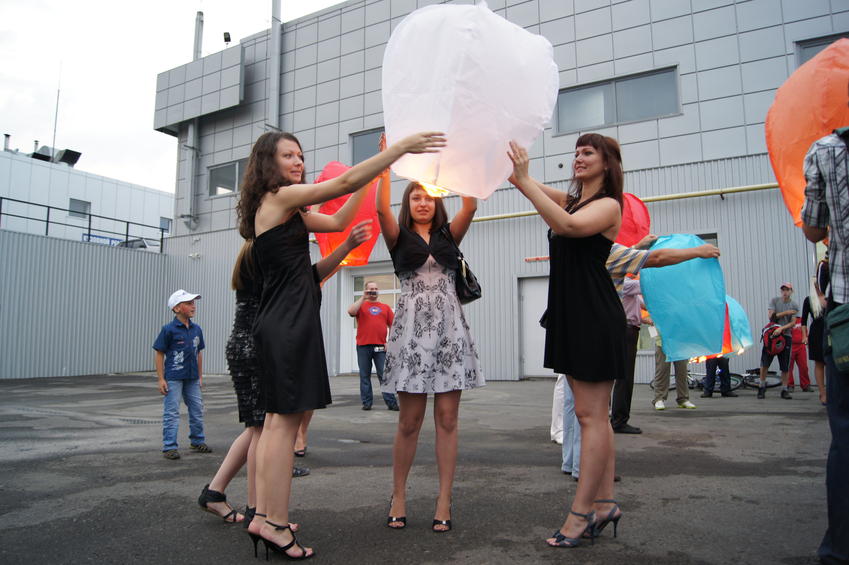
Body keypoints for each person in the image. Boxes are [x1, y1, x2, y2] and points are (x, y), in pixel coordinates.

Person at [239, 129, 445, 559]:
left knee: (277, 425)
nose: (298, 161)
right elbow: (344, 183)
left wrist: (375, 181)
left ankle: (263, 516)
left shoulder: (287, 211)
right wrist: (397, 152)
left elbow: (336, 220)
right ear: (267, 163)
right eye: (287, 155)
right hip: (288, 323)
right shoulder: (280, 198)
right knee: (282, 428)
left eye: (300, 155)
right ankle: (275, 523)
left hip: (283, 320)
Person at [197, 223, 372, 525]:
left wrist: (344, 248)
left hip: (245, 344)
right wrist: (345, 246)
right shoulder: (268, 251)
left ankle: (216, 492)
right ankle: (258, 511)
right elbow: (309, 277)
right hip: (258, 346)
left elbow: (310, 276)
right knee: (262, 430)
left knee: (256, 428)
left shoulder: (255, 249)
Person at [508, 134, 625, 549]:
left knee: (591, 417)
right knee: (593, 416)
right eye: (576, 152)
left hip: (594, 316)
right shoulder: (574, 200)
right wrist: (509, 167)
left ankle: (581, 514)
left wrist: (525, 180)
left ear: (607, 163)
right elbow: (529, 185)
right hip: (574, 316)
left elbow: (567, 226)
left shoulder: (608, 205)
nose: (578, 157)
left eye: (588, 152)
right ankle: (605, 503)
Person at [376, 137, 483, 534]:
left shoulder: (449, 236)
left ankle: (444, 499)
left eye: (428, 196)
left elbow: (470, 205)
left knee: (448, 419)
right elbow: (379, 208)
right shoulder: (397, 236)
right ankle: (398, 496)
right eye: (416, 196)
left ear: (438, 202)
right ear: (408, 204)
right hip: (411, 335)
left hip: (450, 332)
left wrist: (462, 160)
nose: (423, 202)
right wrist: (386, 160)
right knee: (409, 421)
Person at [801, 122, 849, 565]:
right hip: (833, 315)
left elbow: (814, 228)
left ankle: (840, 548)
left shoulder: (828, 150)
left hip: (846, 312)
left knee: (845, 435)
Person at [153, 289, 208, 460]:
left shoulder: (196, 329)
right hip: (174, 377)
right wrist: (161, 379)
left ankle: (197, 440)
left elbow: (198, 353)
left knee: (197, 409)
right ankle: (169, 446)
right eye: (189, 303)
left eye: (194, 303)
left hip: (192, 377)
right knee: (172, 412)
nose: (193, 306)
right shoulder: (168, 330)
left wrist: (200, 376)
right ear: (176, 308)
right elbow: (159, 353)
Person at [348, 281, 398, 411]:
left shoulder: (385, 307)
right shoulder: (361, 306)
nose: (373, 291)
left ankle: (391, 403)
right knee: (365, 376)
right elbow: (351, 311)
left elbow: (393, 326)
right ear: (366, 290)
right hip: (363, 346)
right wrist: (363, 297)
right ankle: (367, 403)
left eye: (375, 289)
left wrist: (389, 342)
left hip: (380, 347)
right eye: (370, 289)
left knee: (384, 375)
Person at [758, 283, 798, 400]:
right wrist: (786, 313)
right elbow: (771, 317)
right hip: (772, 335)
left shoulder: (794, 305)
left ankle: (784, 389)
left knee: (785, 366)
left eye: (787, 290)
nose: (785, 292)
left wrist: (781, 328)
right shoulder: (774, 301)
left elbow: (793, 322)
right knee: (765, 363)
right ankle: (761, 387)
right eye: (783, 290)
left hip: (786, 336)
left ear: (791, 291)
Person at [651, 328, 696, 410]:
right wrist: (652, 329)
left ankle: (683, 399)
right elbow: (648, 321)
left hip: (680, 341)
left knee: (682, 371)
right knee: (662, 370)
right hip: (662, 341)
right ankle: (659, 398)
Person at [788, 309, 811, 392]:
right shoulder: (787, 321)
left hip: (801, 346)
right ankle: (790, 385)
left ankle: (805, 385)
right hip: (790, 346)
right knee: (789, 367)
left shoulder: (801, 320)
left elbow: (805, 331)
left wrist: (806, 340)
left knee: (804, 367)